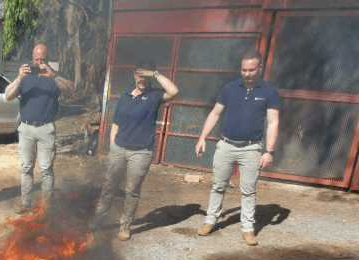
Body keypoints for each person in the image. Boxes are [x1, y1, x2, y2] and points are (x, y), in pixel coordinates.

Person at [195, 50, 280, 246]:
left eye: (251, 70)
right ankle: (210, 221)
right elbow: (215, 113)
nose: (247, 73)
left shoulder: (269, 91)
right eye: (244, 69)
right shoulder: (229, 88)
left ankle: (248, 228)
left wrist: (269, 151)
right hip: (226, 145)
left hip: (252, 148)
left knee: (249, 190)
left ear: (260, 68)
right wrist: (202, 137)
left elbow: (273, 122)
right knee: (218, 186)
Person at [89, 58, 179, 241]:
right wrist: (113, 146)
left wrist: (155, 73)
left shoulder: (155, 95)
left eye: (146, 75)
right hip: (119, 149)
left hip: (141, 152)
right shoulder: (125, 95)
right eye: (139, 74)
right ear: (134, 74)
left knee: (132, 190)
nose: (142, 79)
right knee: (108, 186)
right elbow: (115, 124)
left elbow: (174, 91)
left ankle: (125, 224)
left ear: (151, 77)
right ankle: (99, 219)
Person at [4, 43, 74, 214]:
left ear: (48, 58)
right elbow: (7, 95)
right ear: (32, 58)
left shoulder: (55, 75)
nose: (39, 63)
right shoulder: (26, 75)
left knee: (46, 168)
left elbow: (70, 91)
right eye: (36, 59)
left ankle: (47, 204)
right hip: (26, 128)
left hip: (46, 129)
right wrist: (19, 78)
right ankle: (25, 202)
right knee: (26, 167)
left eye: (42, 59)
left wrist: (53, 77)